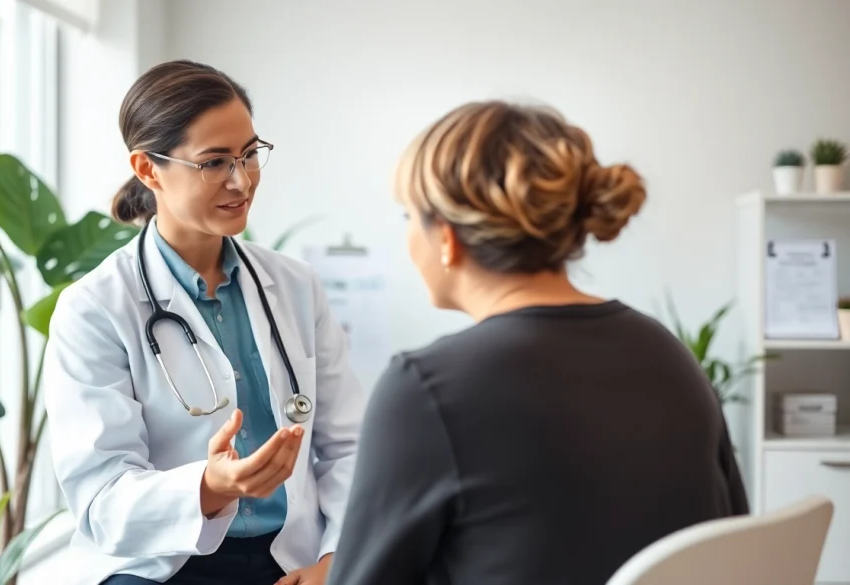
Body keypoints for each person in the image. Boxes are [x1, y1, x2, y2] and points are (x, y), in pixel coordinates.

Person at [325, 101, 749, 585]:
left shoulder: (427, 388)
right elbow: (729, 544)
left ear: (445, 236)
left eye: (408, 216)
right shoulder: (667, 354)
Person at [43, 60, 365, 585]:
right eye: (214, 162)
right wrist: (211, 487)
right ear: (149, 170)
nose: (242, 180)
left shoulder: (297, 286)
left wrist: (336, 560)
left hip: (291, 559)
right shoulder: (95, 307)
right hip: (159, 564)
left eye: (249, 154)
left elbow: (348, 446)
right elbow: (101, 498)